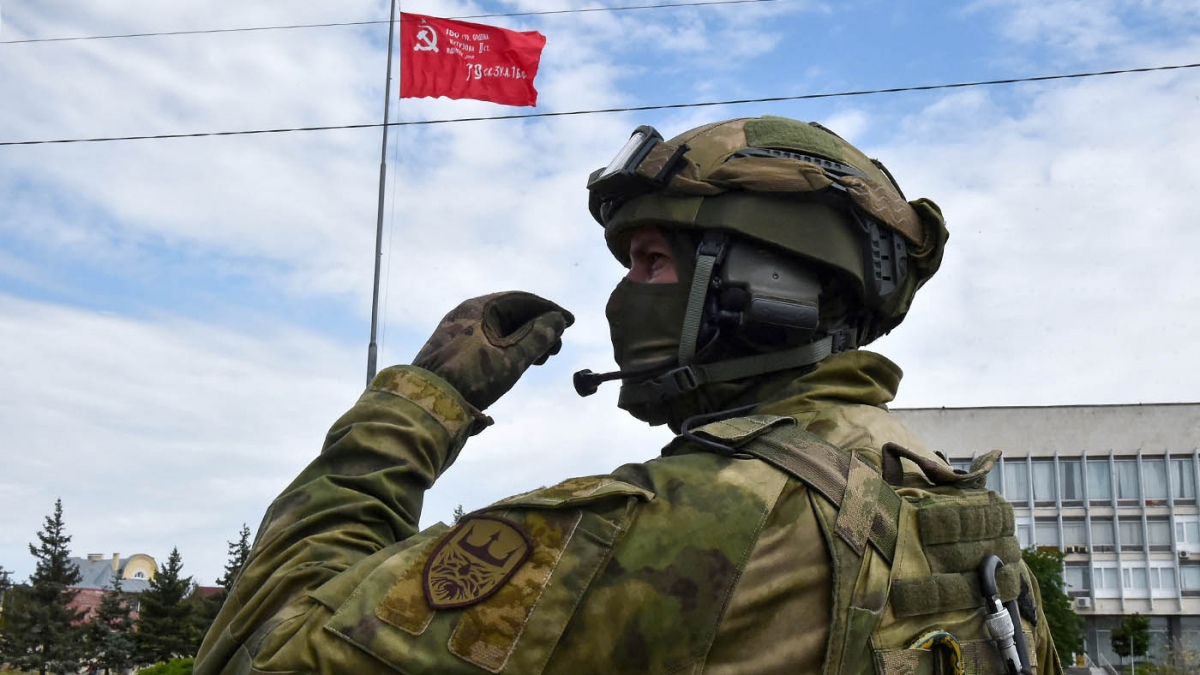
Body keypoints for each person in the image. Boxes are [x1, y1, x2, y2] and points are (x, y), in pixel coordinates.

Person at [195, 116, 1062, 674]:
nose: (624, 295)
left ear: (763, 281)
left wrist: (424, 400)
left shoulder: (683, 520)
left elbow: (263, 651)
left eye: (653, 261)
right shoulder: (943, 502)